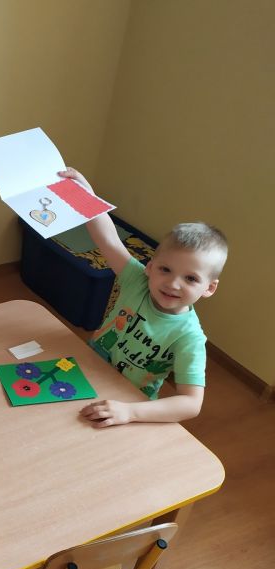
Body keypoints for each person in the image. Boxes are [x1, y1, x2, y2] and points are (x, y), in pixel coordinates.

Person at [56, 168, 229, 427]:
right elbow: (108, 239)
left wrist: (131, 412)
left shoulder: (189, 337)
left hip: (129, 404)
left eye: (191, 278)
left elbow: (191, 403)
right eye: (165, 269)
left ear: (209, 288)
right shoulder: (137, 280)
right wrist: (84, 194)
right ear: (150, 267)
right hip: (86, 370)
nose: (173, 284)